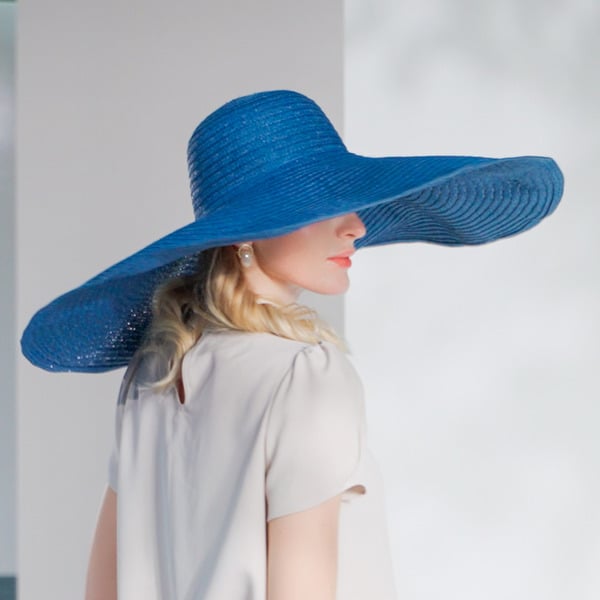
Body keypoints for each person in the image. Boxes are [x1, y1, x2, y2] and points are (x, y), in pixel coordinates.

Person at [21, 90, 564, 600]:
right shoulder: (304, 376)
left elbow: (102, 586)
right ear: (246, 233)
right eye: (324, 206)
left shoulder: (152, 371)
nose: (356, 227)